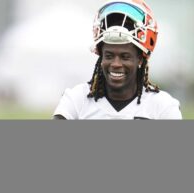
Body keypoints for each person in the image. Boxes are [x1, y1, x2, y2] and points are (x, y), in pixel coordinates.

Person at [53, 0, 182, 119]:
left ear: (140, 59)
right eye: (109, 56)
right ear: (100, 56)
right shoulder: (76, 100)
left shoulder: (162, 107)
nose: (116, 64)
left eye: (125, 57)